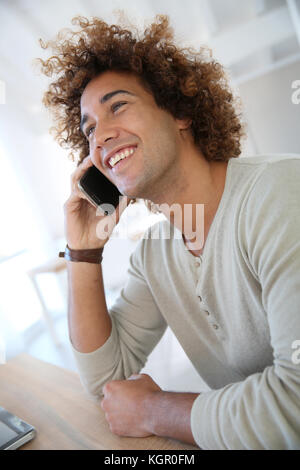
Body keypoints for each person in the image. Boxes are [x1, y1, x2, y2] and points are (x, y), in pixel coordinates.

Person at [37, 14, 300, 449]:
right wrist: (83, 252)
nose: (99, 136)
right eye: (88, 129)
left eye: (117, 106)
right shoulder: (155, 255)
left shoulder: (278, 193)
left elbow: (294, 405)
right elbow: (108, 383)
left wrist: (155, 409)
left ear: (179, 111)